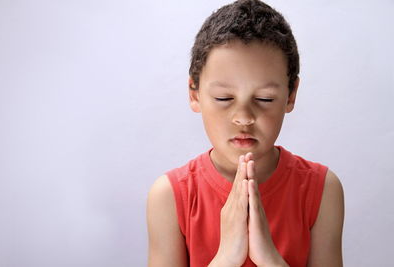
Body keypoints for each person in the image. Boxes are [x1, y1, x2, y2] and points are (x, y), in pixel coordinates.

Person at [146, 0, 345, 266]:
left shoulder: (322, 190)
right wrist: (227, 256)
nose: (244, 117)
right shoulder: (169, 196)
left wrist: (269, 257)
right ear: (194, 93)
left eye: (264, 99)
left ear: (291, 95)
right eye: (224, 97)